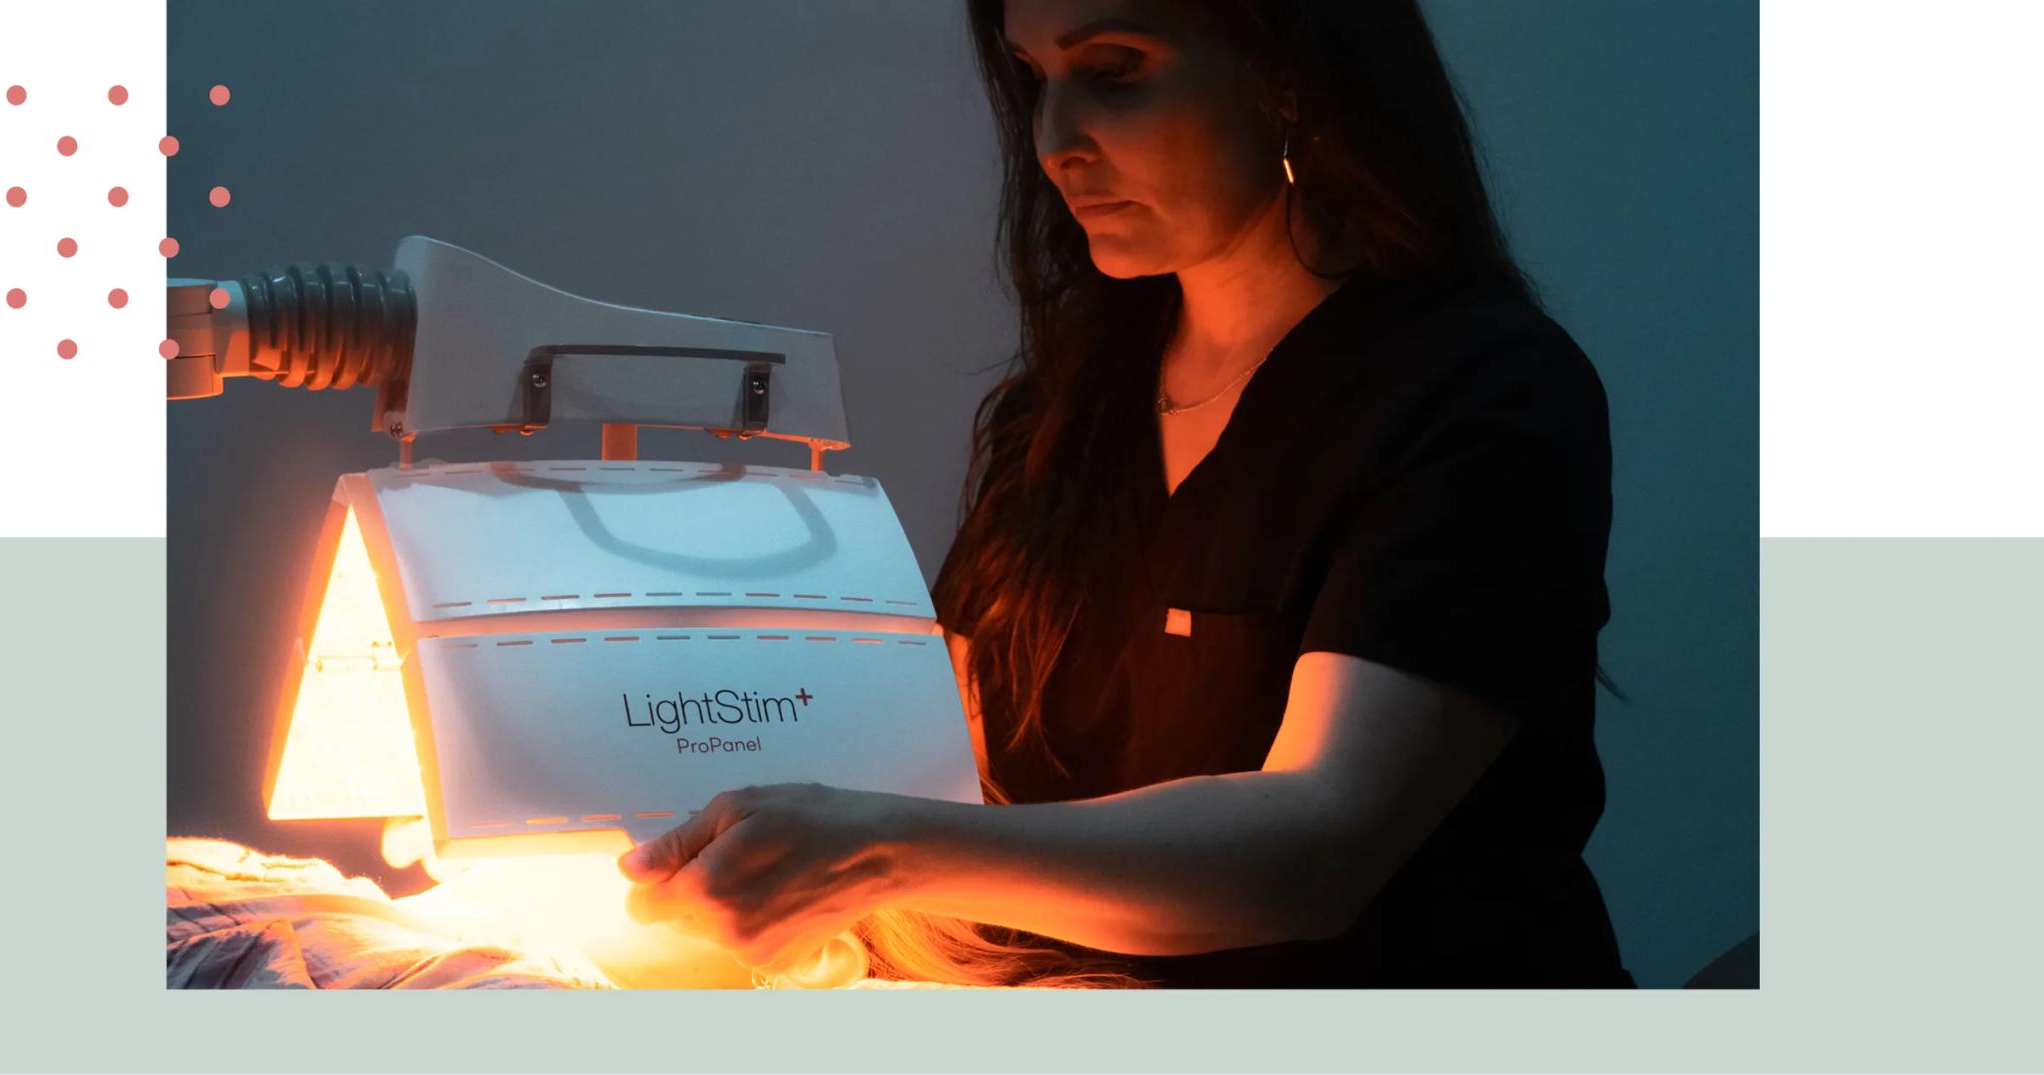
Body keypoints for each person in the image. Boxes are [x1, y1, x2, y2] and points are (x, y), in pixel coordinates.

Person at [619, 0, 1634, 988]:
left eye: (1113, 73)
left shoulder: (1481, 394)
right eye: (1034, 80)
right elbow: (933, 752)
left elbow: (1317, 847)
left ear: (1290, 71)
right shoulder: (1065, 411)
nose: (1055, 140)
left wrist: (877, 852)